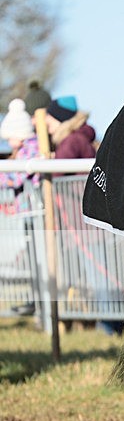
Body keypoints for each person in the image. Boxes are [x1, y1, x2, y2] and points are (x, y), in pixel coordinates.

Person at [0, 99, 41, 316]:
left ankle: (38, 301)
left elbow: (16, 177)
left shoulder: (30, 149)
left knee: (36, 256)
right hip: (28, 211)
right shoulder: (26, 148)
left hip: (34, 211)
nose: (8, 141)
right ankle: (35, 299)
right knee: (32, 256)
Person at [45, 96, 97, 163]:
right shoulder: (78, 137)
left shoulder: (72, 141)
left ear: (60, 117)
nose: (46, 120)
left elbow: (61, 167)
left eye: (49, 115)